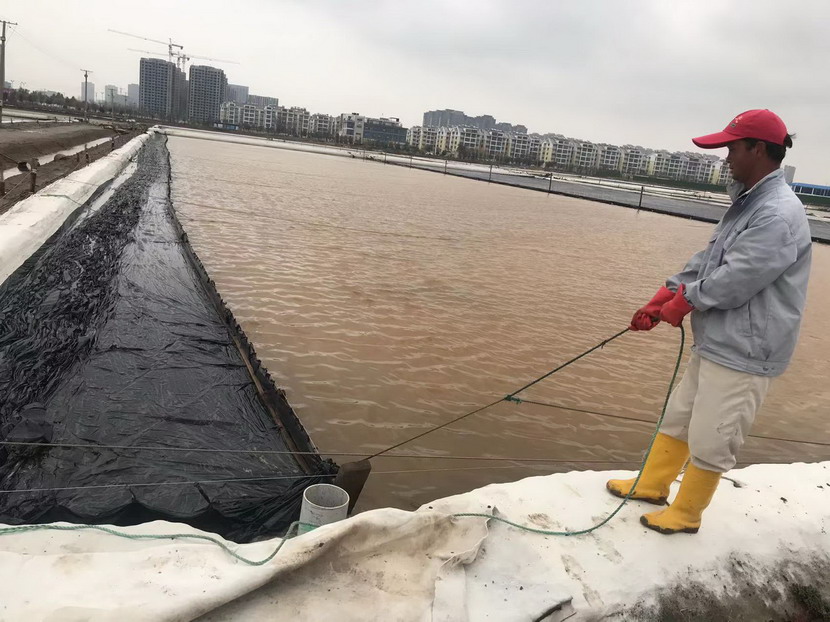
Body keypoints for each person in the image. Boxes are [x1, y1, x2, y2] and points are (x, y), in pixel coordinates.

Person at [607, 109, 812, 534]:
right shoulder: (749, 202)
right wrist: (665, 294)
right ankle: (652, 484)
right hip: (719, 337)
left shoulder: (776, 213)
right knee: (681, 415)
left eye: (732, 148)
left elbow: (737, 279)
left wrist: (682, 303)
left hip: (747, 349)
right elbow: (708, 260)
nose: (726, 158)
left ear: (758, 149)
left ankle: (687, 513)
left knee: (716, 430)